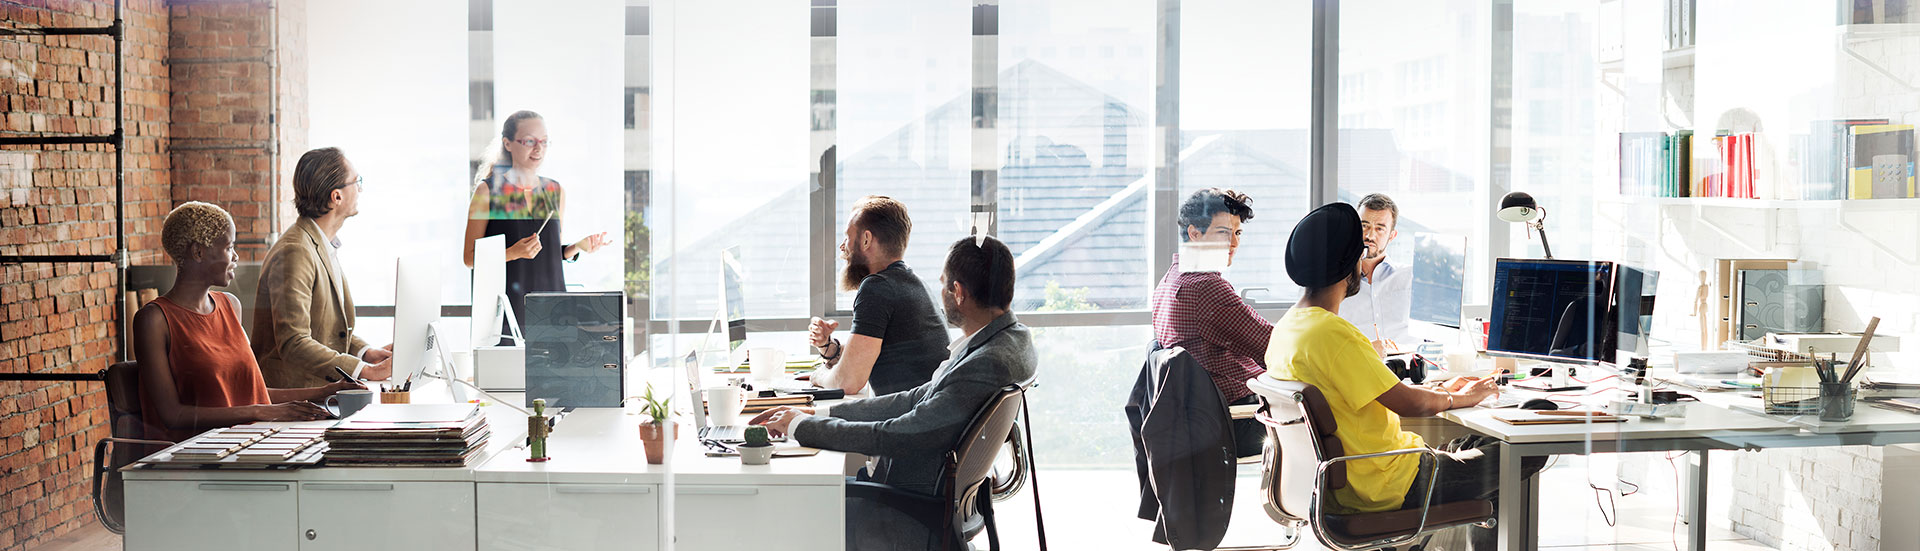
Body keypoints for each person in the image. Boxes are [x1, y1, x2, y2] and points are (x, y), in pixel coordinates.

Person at [1263, 203, 1542, 550]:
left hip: (1347, 484)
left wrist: (1444, 390)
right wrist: (1462, 397)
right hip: (1389, 484)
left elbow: (1377, 389)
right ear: (1350, 266)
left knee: (1476, 450)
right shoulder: (1333, 333)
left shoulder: (1288, 327)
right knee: (1525, 449)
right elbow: (1409, 403)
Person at [752, 235, 1036, 550]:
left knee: (782, 502)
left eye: (943, 284)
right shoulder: (1010, 340)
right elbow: (915, 398)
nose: (939, 293)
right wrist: (818, 414)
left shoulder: (987, 363)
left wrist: (800, 428)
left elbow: (898, 435)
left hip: (907, 513)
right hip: (928, 500)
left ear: (957, 293)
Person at [137, 202, 361, 442]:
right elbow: (173, 415)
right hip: (194, 455)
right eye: (229, 247)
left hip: (245, 442)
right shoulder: (154, 320)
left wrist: (324, 392)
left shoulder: (230, 306)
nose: (235, 256)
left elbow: (253, 393)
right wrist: (261, 412)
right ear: (198, 252)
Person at [462, 110, 612, 340]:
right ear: (508, 143)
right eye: (529, 141)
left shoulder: (554, 191)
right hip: (506, 316)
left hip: (553, 314)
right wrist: (513, 253)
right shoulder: (489, 192)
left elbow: (550, 252)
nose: (538, 148)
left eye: (544, 141)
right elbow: (470, 258)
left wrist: (577, 247)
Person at [253, 148, 395, 387]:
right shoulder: (295, 250)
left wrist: (366, 354)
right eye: (356, 181)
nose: (360, 189)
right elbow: (294, 341)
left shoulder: (320, 243)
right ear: (336, 196)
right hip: (295, 396)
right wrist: (366, 372)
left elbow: (325, 330)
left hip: (318, 392)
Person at [1151, 187, 1271, 458]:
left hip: (1201, 417)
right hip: (1236, 421)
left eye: (1237, 233)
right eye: (1223, 232)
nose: (1234, 244)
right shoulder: (1206, 287)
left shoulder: (1172, 279)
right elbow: (1272, 346)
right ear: (1195, 233)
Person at [804, 195, 949, 395]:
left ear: (866, 240)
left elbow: (848, 382)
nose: (842, 247)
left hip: (906, 419)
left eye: (847, 237)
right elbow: (868, 350)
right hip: (923, 412)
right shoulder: (913, 283)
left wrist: (818, 376)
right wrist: (829, 347)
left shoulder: (877, 288)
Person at [1337, 193, 1414, 355]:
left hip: (1408, 366)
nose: (1370, 236)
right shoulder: (1335, 282)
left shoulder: (1410, 278)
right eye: (1364, 226)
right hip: (1357, 365)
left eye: (1379, 228)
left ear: (1392, 235)